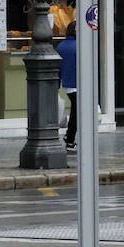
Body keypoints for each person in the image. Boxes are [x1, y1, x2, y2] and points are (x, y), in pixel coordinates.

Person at [57, 21, 78, 151]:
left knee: (76, 111)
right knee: (77, 113)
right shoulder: (79, 46)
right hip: (77, 84)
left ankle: (69, 137)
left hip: (66, 84)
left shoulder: (61, 46)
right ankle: (70, 139)